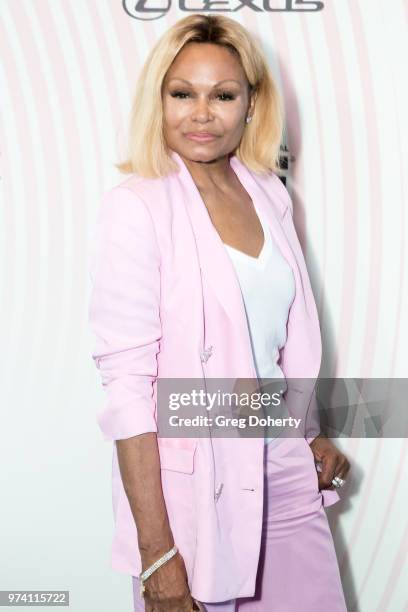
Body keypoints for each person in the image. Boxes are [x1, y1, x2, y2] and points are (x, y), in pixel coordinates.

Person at [88, 14, 350, 612]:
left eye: (223, 95)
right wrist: (158, 554)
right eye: (182, 94)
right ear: (159, 101)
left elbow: (276, 341)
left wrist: (310, 433)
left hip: (284, 473)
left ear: (252, 103)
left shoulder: (269, 192)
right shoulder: (136, 208)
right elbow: (128, 390)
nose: (201, 114)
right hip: (195, 495)